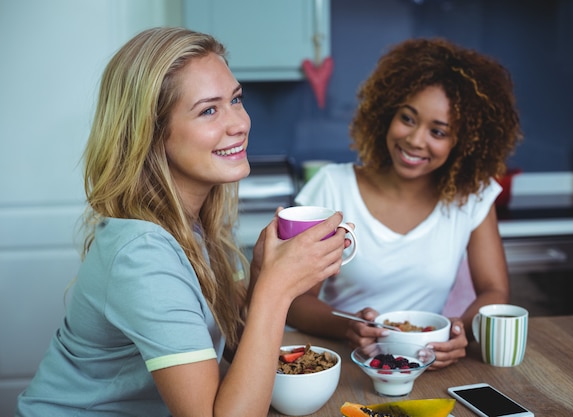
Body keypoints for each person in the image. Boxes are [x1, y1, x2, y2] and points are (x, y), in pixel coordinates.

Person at [15, 27, 349, 417]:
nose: (239, 123)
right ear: (152, 134)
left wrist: (261, 275)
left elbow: (234, 351)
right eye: (209, 110)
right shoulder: (142, 253)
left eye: (236, 99)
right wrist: (276, 290)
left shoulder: (186, 224)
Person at [287, 38, 523, 370]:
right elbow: (295, 301)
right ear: (387, 112)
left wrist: (459, 332)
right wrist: (348, 325)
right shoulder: (332, 187)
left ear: (463, 143)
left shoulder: (472, 196)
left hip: (425, 368)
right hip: (339, 365)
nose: (414, 140)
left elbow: (494, 290)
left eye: (438, 132)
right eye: (408, 119)